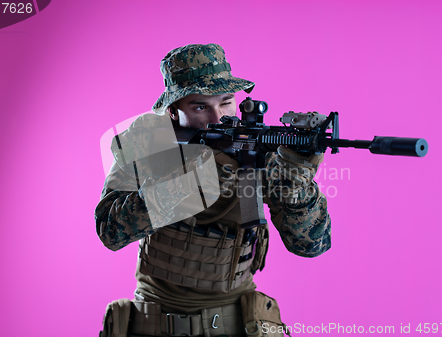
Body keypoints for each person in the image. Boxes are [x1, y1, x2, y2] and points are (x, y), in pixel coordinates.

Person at [96, 43, 331, 337]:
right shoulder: (145, 141)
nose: (218, 118)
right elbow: (110, 230)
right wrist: (192, 184)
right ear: (172, 112)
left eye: (226, 102)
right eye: (199, 107)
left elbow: (311, 246)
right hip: (152, 319)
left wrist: (297, 190)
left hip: (236, 322)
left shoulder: (261, 151)